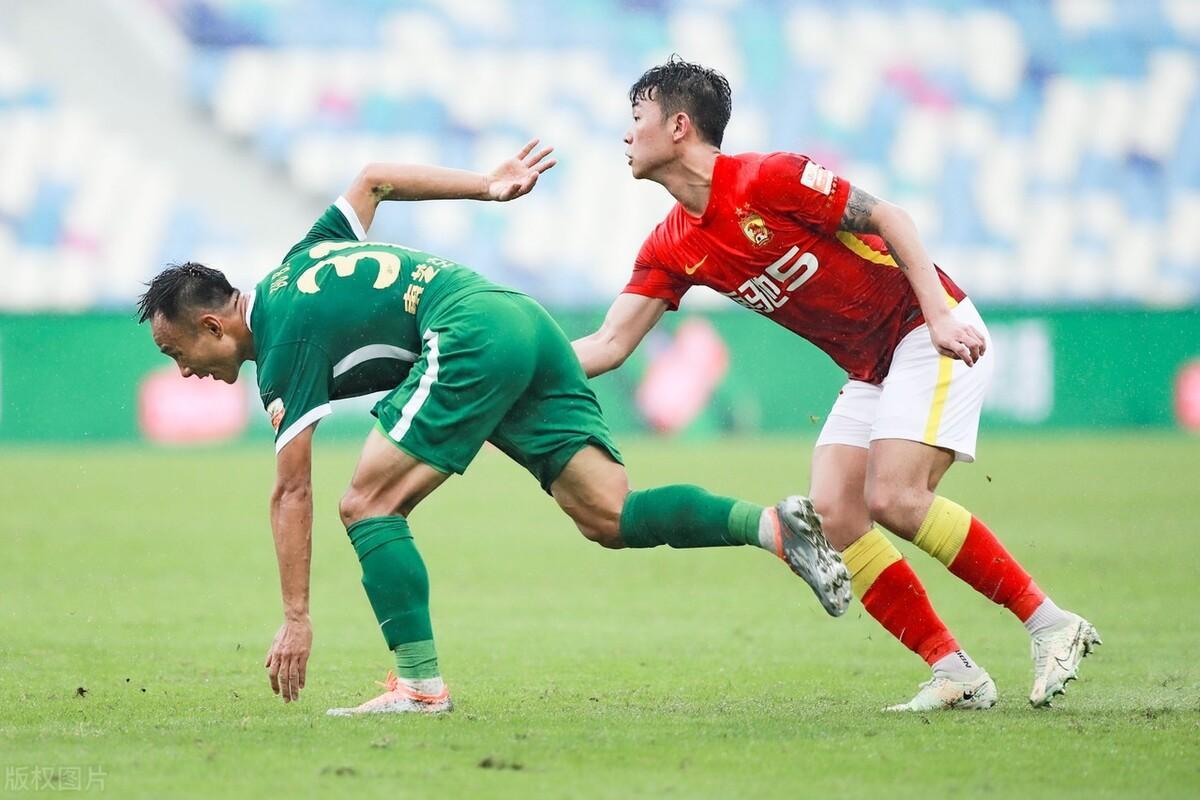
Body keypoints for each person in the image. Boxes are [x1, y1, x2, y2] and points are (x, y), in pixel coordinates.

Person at [136, 141, 851, 716]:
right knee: (609, 514)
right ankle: (773, 527)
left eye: (177, 352)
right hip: (518, 318)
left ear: (213, 325)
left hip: (467, 335)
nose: (184, 371)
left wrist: (296, 617)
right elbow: (374, 179)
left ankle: (419, 687)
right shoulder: (305, 257)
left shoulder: (282, 341)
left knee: (367, 504)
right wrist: (487, 184)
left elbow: (292, 492)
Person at [571, 57, 1100, 711]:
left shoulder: (769, 178)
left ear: (679, 126)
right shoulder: (671, 244)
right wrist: (520, 365)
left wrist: (938, 314)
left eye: (637, 118)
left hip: (925, 328)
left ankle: (1051, 623)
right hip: (872, 367)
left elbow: (891, 218)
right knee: (836, 512)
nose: (626, 134)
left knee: (895, 497)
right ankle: (956, 672)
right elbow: (610, 343)